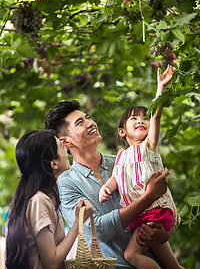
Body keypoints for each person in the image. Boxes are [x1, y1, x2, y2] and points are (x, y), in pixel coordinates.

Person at [45, 99, 174, 269]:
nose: (91, 123)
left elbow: (164, 206)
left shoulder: (127, 160)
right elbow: (98, 230)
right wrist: (149, 196)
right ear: (66, 142)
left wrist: (164, 233)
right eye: (80, 123)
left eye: (88, 117)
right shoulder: (66, 184)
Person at [99, 65, 184, 269]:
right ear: (122, 132)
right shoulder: (120, 156)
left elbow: (156, 116)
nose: (141, 121)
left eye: (143, 118)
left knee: (131, 255)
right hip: (141, 214)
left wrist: (160, 88)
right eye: (134, 119)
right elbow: (116, 179)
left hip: (154, 210)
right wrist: (107, 188)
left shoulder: (148, 146)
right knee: (170, 263)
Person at [5, 129, 93, 269]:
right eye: (62, 148)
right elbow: (51, 263)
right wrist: (78, 222)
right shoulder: (40, 201)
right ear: (54, 164)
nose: (67, 151)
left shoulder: (40, 199)